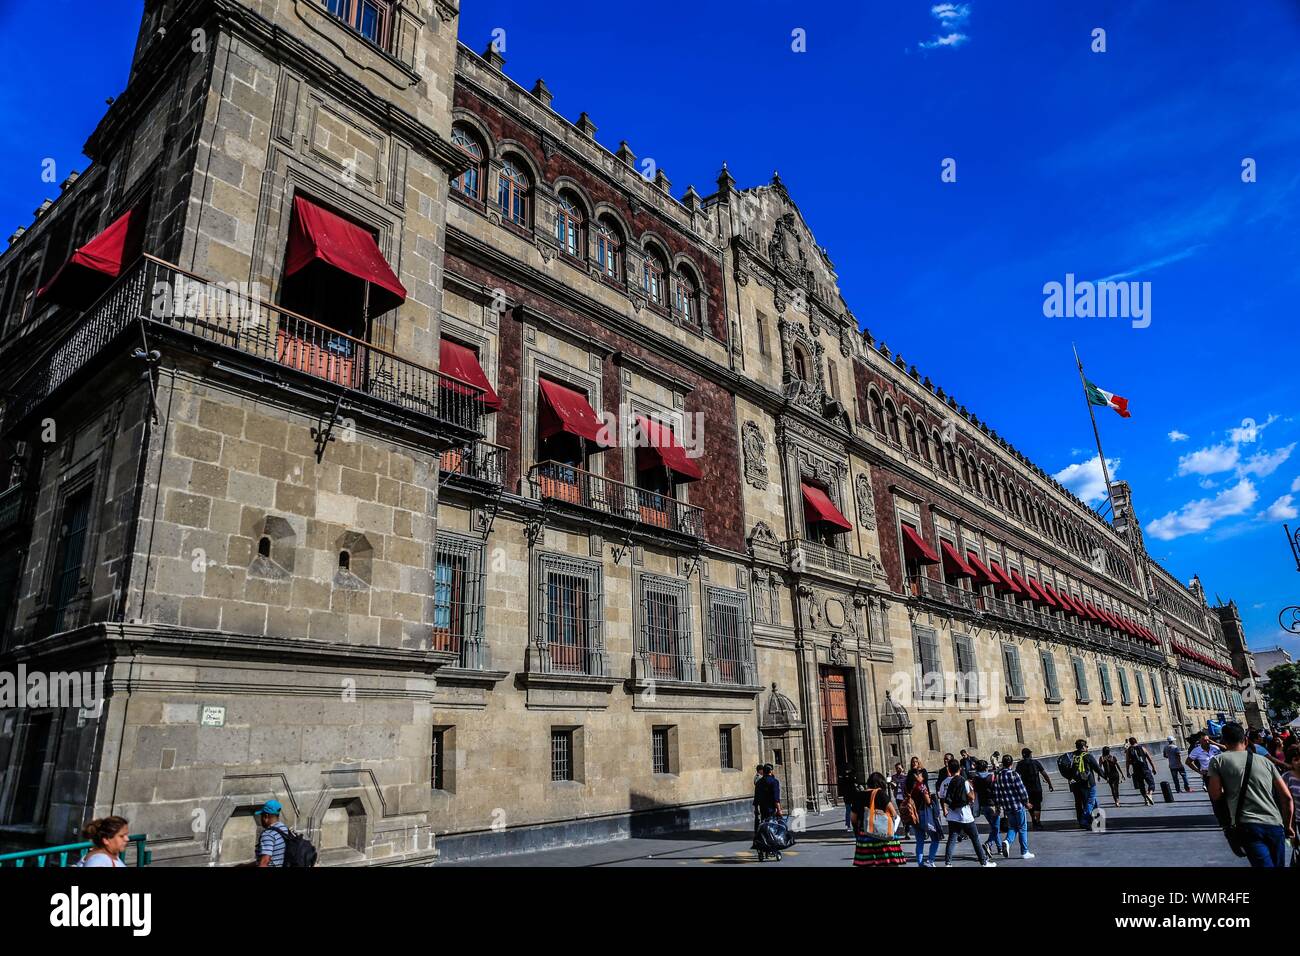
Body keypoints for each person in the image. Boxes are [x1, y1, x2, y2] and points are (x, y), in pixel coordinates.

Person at [1207, 723, 1295, 868]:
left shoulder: (1218, 761)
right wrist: (1288, 825)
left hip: (1247, 825)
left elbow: (1215, 795)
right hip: (1275, 823)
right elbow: (1287, 797)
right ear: (1246, 741)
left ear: (1224, 742)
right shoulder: (1265, 761)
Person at [939, 759, 996, 867]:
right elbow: (971, 797)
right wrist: (972, 790)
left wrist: (945, 809)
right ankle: (983, 862)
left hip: (952, 815)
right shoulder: (963, 781)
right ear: (959, 769)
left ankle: (948, 863)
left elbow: (942, 796)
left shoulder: (945, 782)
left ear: (949, 770)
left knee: (951, 839)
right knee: (975, 838)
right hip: (965, 815)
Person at [851, 772, 908, 867]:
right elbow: (894, 814)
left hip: (865, 836)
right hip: (883, 835)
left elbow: (853, 818)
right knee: (888, 864)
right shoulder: (881, 794)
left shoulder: (858, 796)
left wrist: (858, 832)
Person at [994, 753, 1034, 859]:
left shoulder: (998, 776)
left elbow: (997, 793)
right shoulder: (1014, 774)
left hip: (1007, 807)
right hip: (1018, 805)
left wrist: (998, 807)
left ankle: (1007, 841)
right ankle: (1024, 852)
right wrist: (1026, 802)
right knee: (1022, 828)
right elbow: (1022, 790)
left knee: (1013, 826)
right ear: (1011, 763)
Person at [904, 767, 941, 867]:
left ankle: (920, 863)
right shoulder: (921, 786)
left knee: (919, 841)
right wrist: (932, 797)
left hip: (913, 816)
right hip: (923, 814)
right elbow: (928, 801)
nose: (922, 776)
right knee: (935, 838)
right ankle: (930, 860)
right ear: (915, 776)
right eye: (919, 774)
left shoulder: (908, 787)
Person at [1067, 739, 1104, 830]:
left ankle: (1097, 820)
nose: (1087, 748)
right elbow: (1097, 768)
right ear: (1083, 747)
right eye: (1086, 746)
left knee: (1080, 802)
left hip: (1075, 784)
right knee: (1090, 801)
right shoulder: (1087, 756)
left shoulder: (1072, 756)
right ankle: (1084, 820)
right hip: (1088, 783)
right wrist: (1106, 777)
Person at [1016, 748, 1054, 830]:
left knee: (1030, 805)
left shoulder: (1019, 764)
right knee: (1037, 805)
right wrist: (1050, 784)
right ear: (1030, 754)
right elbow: (1044, 774)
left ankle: (1033, 819)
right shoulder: (1036, 763)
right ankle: (1038, 821)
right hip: (1037, 788)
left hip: (1026, 789)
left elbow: (1016, 777)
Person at [971, 759, 1000, 855]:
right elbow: (996, 791)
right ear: (986, 767)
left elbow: (975, 792)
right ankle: (989, 843)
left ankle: (999, 847)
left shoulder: (975, 779)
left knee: (994, 826)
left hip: (983, 805)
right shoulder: (991, 777)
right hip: (992, 804)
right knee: (996, 827)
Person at [254, 799, 293, 867]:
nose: (261, 819)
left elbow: (265, 862)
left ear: (266, 816)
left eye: (261, 816)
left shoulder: (268, 834)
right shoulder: (284, 828)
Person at [1126, 737, 1157, 806]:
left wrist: (1127, 771)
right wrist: (1153, 768)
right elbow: (1149, 758)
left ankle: (1146, 800)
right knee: (1151, 783)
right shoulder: (1142, 748)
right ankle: (1150, 794)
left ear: (1130, 743)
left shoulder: (1129, 750)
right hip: (1145, 768)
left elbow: (1127, 762)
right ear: (1136, 741)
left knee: (1141, 786)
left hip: (1136, 770)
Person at [1283, 745, 1300, 867]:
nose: (1299, 762)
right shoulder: (1287, 778)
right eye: (1296, 759)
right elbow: (1286, 805)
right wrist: (1290, 827)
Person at [890, 763, 910, 838]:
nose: (898, 770)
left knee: (907, 814)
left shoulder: (905, 777)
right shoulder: (894, 777)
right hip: (898, 798)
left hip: (905, 798)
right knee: (902, 814)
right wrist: (892, 785)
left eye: (899, 768)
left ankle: (908, 831)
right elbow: (892, 787)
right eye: (896, 768)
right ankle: (906, 831)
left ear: (902, 768)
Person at [837, 765, 857, 831]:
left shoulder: (843, 777)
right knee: (853, 810)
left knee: (848, 810)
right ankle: (852, 825)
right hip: (852, 795)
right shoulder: (851, 776)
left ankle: (848, 825)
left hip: (847, 795)